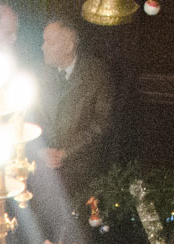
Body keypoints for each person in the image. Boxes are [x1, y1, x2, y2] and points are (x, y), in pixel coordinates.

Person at [40, 13, 116, 211]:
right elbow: (29, 118)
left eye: (49, 42)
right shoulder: (40, 74)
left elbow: (101, 124)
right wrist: (41, 151)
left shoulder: (97, 74)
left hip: (81, 168)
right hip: (43, 165)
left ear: (68, 46)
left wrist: (66, 153)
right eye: (43, 41)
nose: (43, 47)